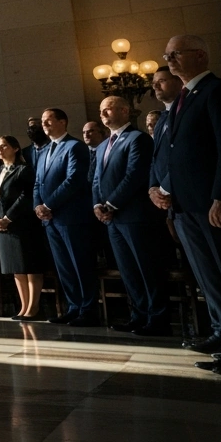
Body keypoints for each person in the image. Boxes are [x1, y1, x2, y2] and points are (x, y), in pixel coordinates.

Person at [153, 35, 221, 377]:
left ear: (201, 55)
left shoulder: (219, 92)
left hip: (211, 206)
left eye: (174, 53)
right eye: (166, 54)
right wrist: (159, 189)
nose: (169, 59)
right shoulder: (183, 99)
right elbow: (174, 153)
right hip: (184, 206)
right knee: (212, 282)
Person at [93, 95, 169, 336]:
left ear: (125, 111)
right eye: (101, 111)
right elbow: (96, 179)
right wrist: (97, 204)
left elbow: (134, 176)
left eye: (108, 109)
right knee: (128, 270)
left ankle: (158, 318)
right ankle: (138, 315)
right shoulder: (103, 145)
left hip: (135, 216)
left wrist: (110, 203)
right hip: (112, 220)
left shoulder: (138, 139)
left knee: (147, 268)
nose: (103, 115)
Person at [34, 107, 98, 326]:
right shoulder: (43, 151)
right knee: (64, 267)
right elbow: (37, 183)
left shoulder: (75, 147)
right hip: (50, 220)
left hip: (71, 217)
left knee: (80, 264)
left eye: (48, 120)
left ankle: (88, 310)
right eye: (43, 121)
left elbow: (74, 180)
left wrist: (49, 204)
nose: (44, 124)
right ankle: (74, 307)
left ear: (63, 122)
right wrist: (38, 206)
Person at [0, 136, 48, 320]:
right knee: (16, 267)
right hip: (3, 228)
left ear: (15, 148)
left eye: (3, 146)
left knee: (30, 266)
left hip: (22, 225)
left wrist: (8, 218)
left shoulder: (24, 170)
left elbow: (26, 196)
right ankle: (23, 307)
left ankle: (34, 307)